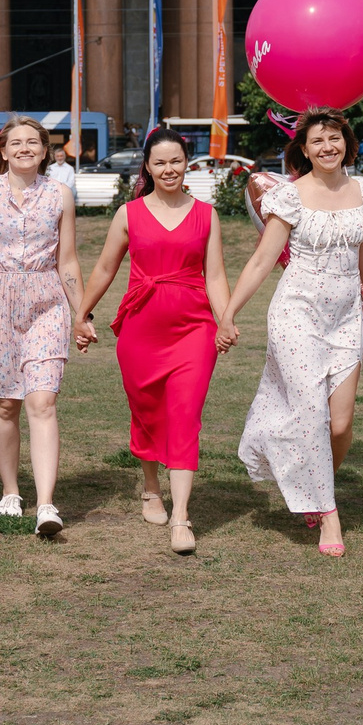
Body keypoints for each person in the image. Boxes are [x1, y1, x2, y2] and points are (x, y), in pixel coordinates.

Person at [227, 110, 363, 558]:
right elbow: (263, 260)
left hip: (344, 318)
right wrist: (229, 312)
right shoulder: (291, 196)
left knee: (340, 424)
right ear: (304, 149)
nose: (326, 147)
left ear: (347, 143)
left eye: (334, 138)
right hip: (296, 313)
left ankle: (312, 484)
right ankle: (327, 513)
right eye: (317, 141)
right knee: (311, 414)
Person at [78, 128, 235, 554]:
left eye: (177, 161)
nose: (169, 169)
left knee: (185, 415)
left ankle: (182, 517)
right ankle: (151, 487)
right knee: (146, 409)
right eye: (160, 162)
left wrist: (225, 319)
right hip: (140, 328)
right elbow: (105, 269)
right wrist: (82, 313)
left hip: (194, 329)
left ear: (188, 164)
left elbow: (216, 276)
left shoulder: (207, 215)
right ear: (147, 166)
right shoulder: (128, 214)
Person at [0, 116, 87, 536]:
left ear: (46, 150)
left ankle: (46, 504)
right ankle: (11, 491)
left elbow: (67, 260)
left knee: (43, 402)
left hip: (46, 301)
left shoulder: (61, 195)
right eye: (16, 143)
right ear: (2, 150)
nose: (24, 149)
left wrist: (81, 313)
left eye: (33, 142)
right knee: (4, 403)